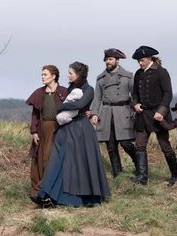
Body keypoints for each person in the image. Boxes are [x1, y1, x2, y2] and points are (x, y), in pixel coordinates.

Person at [31, 61, 111, 208]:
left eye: (71, 73)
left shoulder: (89, 89)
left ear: (78, 74)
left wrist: (61, 106)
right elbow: (72, 104)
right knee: (58, 161)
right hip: (66, 129)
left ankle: (76, 198)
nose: (68, 76)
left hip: (80, 129)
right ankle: (46, 194)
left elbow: (79, 105)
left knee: (79, 164)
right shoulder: (71, 88)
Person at [131, 46, 177, 185]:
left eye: (142, 60)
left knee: (165, 146)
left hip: (158, 115)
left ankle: (176, 176)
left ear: (150, 58)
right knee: (139, 145)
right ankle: (142, 177)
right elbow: (134, 94)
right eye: (139, 61)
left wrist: (161, 112)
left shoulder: (161, 72)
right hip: (142, 115)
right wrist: (135, 104)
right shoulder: (138, 74)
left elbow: (168, 94)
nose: (140, 63)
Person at [91, 48, 136, 177]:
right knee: (110, 145)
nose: (108, 62)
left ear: (117, 60)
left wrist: (135, 110)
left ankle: (139, 165)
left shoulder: (128, 76)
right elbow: (97, 97)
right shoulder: (100, 78)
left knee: (126, 143)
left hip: (123, 112)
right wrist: (94, 113)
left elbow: (134, 95)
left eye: (110, 59)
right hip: (106, 113)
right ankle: (118, 174)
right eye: (106, 59)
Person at [26, 65, 68, 197]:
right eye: (42, 74)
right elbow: (35, 114)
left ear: (53, 76)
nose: (42, 77)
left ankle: (49, 188)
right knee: (39, 158)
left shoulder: (64, 92)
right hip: (42, 129)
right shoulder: (39, 92)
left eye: (45, 74)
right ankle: (37, 190)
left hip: (57, 129)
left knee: (50, 157)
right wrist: (34, 131)